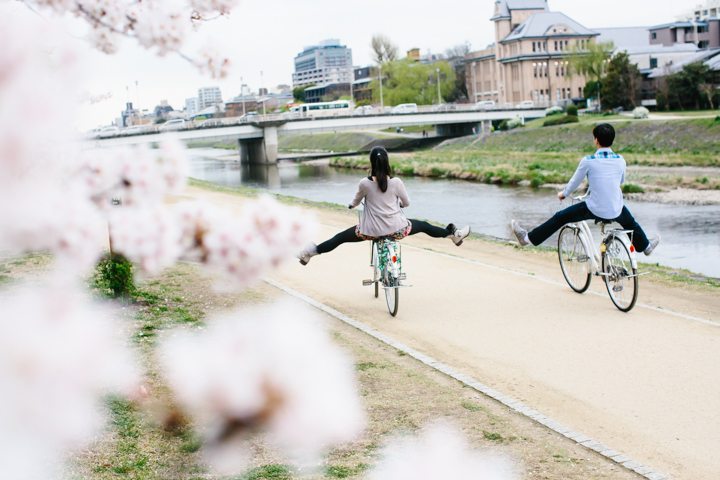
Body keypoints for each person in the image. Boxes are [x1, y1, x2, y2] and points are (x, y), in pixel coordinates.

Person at [298, 146, 471, 265]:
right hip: (398, 229)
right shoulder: (396, 182)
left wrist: (352, 205)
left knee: (339, 238)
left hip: (370, 231)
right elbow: (407, 203)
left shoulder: (364, 184)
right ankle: (454, 235)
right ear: (387, 162)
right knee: (425, 226)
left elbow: (356, 200)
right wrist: (401, 204)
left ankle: (309, 253)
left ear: (372, 163)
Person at [510, 123, 660, 255]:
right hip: (616, 208)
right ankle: (645, 246)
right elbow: (621, 181)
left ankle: (527, 238)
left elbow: (575, 182)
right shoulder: (621, 160)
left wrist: (564, 194)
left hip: (594, 208)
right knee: (631, 223)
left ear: (596, 140)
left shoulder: (588, 161)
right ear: (612, 140)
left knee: (560, 217)